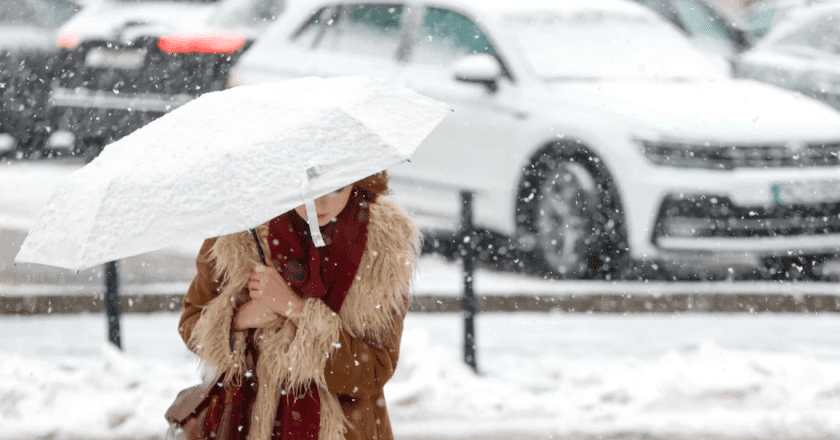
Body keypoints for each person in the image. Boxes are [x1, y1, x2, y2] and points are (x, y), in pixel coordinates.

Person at [177, 171, 419, 440]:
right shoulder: (240, 234)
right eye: (305, 191)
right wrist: (241, 317)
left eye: (334, 189)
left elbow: (374, 369)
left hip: (347, 430)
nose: (319, 205)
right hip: (250, 422)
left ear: (357, 180)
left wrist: (295, 309)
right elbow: (191, 324)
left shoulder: (382, 245)